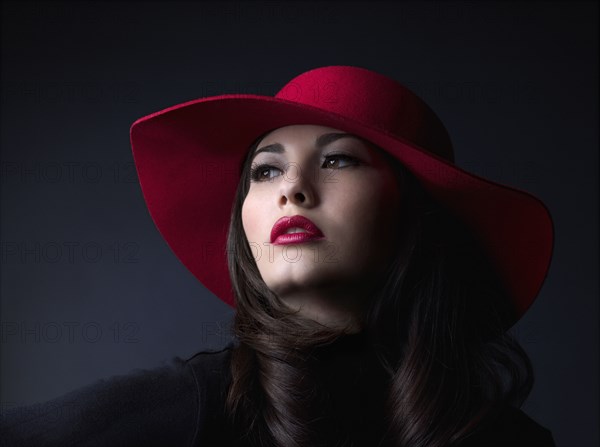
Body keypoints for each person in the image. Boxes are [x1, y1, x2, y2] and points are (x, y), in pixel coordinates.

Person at [0, 65, 557, 446]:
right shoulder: (197, 406)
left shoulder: (508, 437)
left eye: (338, 161)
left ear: (414, 210)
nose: (291, 188)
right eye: (265, 171)